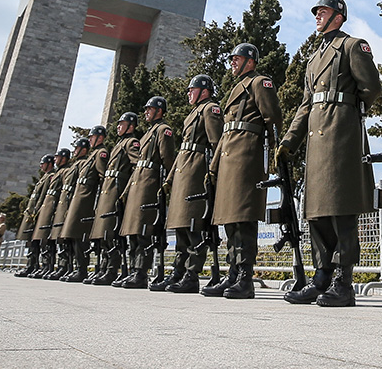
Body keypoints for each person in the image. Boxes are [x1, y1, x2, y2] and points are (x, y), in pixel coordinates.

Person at [277, 0, 381, 307]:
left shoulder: (352, 46)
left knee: (341, 209)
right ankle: (321, 277)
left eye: (323, 12)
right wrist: (288, 142)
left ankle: (343, 281)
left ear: (338, 16)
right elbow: (305, 105)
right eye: (317, 12)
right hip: (316, 141)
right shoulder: (312, 59)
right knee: (317, 210)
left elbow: (371, 87)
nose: (318, 16)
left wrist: (350, 113)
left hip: (341, 135)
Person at [204, 43, 283, 300]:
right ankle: (232, 273)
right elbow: (226, 133)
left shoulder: (260, 83)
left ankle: (245, 278)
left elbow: (273, 119)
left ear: (251, 61)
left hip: (247, 157)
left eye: (237, 59)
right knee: (229, 218)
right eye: (232, 59)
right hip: (229, 157)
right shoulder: (236, 88)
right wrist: (214, 166)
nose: (233, 63)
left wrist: (274, 159)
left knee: (244, 218)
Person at [161, 75, 223, 293]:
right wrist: (169, 179)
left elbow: (217, 143)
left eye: (192, 89)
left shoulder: (210, 109)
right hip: (183, 172)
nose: (188, 93)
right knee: (180, 225)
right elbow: (181, 150)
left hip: (197, 171)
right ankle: (178, 271)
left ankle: (191, 274)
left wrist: (214, 172)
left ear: (204, 91)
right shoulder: (193, 113)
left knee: (193, 225)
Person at [116, 97, 177, 289]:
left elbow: (168, 159)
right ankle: (135, 270)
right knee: (133, 231)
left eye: (149, 109)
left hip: (150, 184)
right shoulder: (147, 134)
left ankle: (141, 273)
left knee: (143, 231)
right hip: (138, 183)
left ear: (159, 111)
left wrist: (168, 184)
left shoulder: (163, 130)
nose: (146, 112)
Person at [91, 112, 140, 286]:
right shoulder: (118, 144)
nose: (118, 126)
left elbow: (137, 167)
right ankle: (106, 269)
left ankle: (112, 270)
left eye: (122, 124)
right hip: (108, 191)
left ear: (131, 126)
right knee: (105, 234)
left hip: (118, 191)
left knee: (111, 234)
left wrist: (126, 192)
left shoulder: (130, 143)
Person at [62, 125, 108, 282]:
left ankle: (83, 270)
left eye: (92, 137)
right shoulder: (91, 156)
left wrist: (98, 202)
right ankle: (77, 268)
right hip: (79, 201)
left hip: (87, 202)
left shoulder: (101, 154)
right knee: (74, 237)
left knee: (81, 239)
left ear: (99, 138)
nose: (90, 140)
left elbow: (103, 178)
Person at [50, 138, 89, 280]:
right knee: (65, 240)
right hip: (66, 204)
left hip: (75, 204)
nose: (74, 150)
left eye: (76, 148)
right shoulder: (73, 166)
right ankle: (65, 267)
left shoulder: (83, 163)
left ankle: (77, 268)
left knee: (76, 239)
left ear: (83, 149)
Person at [14, 155, 56, 278]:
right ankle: (32, 265)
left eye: (43, 163)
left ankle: (41, 266)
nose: (41, 166)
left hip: (40, 213)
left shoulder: (50, 176)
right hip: (33, 212)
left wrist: (37, 211)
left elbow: (43, 196)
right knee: (32, 242)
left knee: (41, 242)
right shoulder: (44, 177)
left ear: (49, 163)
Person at [30, 149, 70, 278]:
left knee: (53, 241)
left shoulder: (58, 173)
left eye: (57, 157)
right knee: (43, 241)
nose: (41, 166)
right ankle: (43, 266)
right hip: (46, 209)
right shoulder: (52, 175)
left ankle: (56, 266)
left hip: (55, 209)